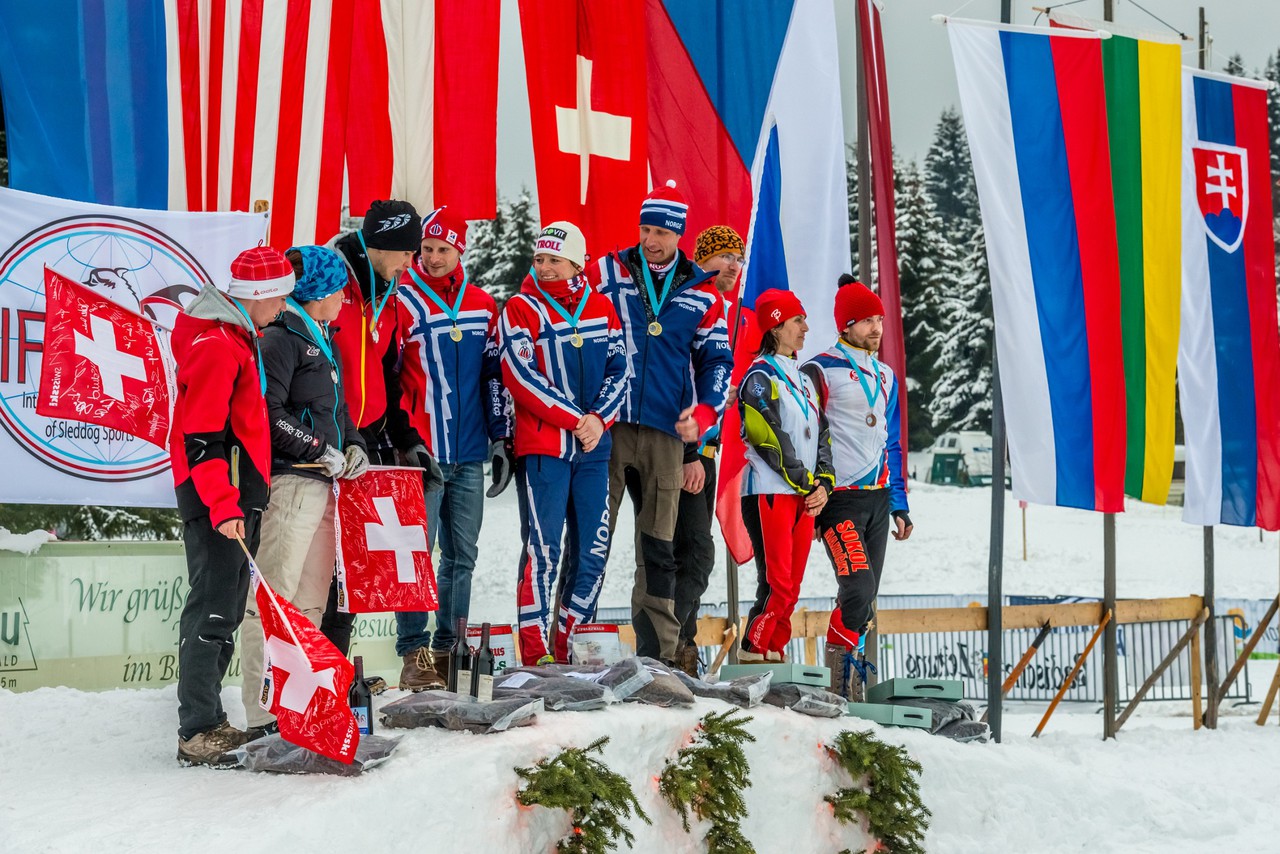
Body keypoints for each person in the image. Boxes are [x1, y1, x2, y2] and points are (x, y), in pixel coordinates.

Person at [595, 181, 733, 663]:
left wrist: (706, 414)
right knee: (593, 535)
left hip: (667, 434)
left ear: (678, 236)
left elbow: (717, 363)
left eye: (661, 232)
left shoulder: (703, 293)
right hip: (608, 425)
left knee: (659, 545)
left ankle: (659, 655)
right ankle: (569, 641)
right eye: (645, 229)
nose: (650, 240)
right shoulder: (608, 272)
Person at [239, 245, 369, 738]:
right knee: (273, 601)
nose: (344, 301)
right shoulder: (280, 337)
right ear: (320, 293)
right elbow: (267, 413)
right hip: (292, 480)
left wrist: (353, 444)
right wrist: (317, 448)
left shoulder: (322, 336)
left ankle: (300, 704)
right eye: (339, 292)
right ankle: (263, 712)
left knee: (312, 602)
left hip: (325, 484)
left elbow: (338, 411)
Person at [171, 246, 292, 766]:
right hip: (219, 499)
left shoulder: (238, 339)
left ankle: (210, 722)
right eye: (280, 298)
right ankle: (197, 729)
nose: (283, 308)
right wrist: (223, 504)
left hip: (236, 497)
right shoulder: (218, 345)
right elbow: (202, 438)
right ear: (259, 295)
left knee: (227, 607)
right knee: (213, 609)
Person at [320, 200, 445, 677]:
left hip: (364, 442)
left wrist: (406, 439)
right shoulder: (330, 282)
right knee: (321, 575)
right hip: (322, 444)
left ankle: (337, 678)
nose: (413, 263)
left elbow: (387, 379)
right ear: (380, 244)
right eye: (408, 252)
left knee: (350, 572)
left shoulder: (389, 294)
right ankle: (317, 681)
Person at [389, 206, 511, 688]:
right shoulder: (402, 299)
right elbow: (390, 375)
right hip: (423, 450)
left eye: (444, 249)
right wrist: (403, 439)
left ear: (461, 250)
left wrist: (501, 438)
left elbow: (493, 376)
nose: (434, 258)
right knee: (416, 554)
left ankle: (448, 649)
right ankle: (413, 652)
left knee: (462, 556)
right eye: (427, 249)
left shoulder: (482, 304)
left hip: (470, 450)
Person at [500, 222, 629, 664]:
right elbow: (520, 377)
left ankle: (573, 647)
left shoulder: (602, 307)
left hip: (593, 450)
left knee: (593, 551)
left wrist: (599, 419)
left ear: (577, 263)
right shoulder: (520, 308)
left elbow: (620, 371)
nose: (545, 267)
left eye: (555, 259)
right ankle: (536, 654)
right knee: (544, 551)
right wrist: (577, 420)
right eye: (539, 258)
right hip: (545, 450)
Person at [801, 278, 913, 700]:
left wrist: (899, 504)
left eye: (879, 320)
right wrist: (812, 492)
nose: (876, 328)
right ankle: (837, 682)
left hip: (878, 498)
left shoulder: (886, 375)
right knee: (858, 588)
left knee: (865, 600)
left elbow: (892, 442)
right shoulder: (819, 369)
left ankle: (851, 683)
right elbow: (807, 433)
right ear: (845, 324)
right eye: (866, 320)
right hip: (839, 499)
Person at [738, 289, 834, 663]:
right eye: (798, 320)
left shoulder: (804, 379)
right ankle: (754, 647)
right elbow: (768, 437)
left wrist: (823, 482)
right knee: (777, 581)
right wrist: (806, 482)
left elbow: (822, 434)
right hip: (771, 489)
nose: (806, 328)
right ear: (776, 327)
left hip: (803, 493)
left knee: (792, 584)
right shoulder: (759, 376)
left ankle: (775, 648)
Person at [669, 225, 746, 676]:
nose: (733, 266)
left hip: (709, 451)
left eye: (738, 258)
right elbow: (678, 377)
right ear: (702, 260)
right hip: (685, 449)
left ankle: (683, 645)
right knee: (693, 552)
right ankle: (673, 648)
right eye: (724, 257)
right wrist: (690, 451)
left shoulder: (731, 312)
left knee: (691, 552)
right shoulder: (691, 304)